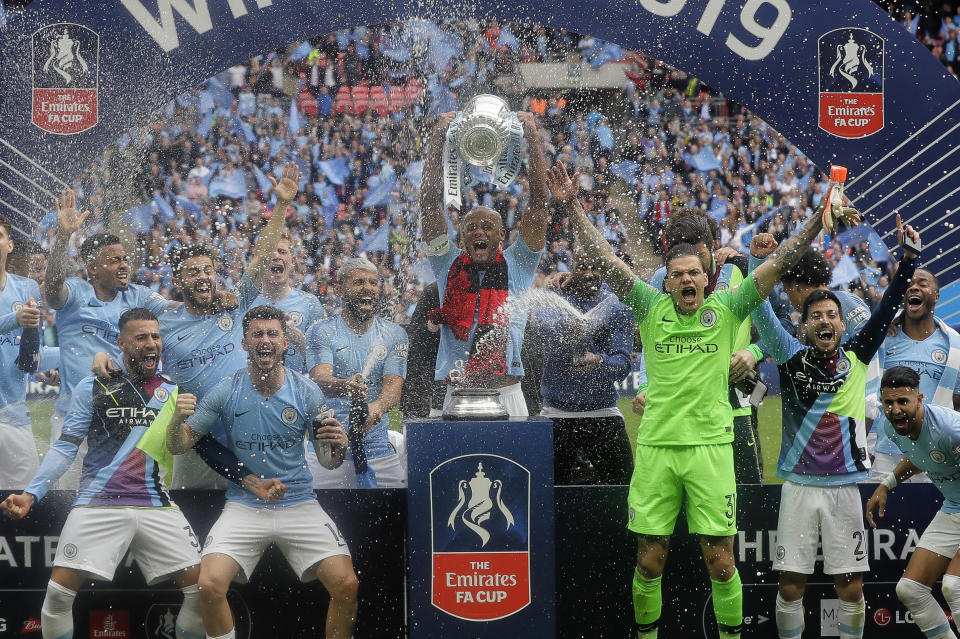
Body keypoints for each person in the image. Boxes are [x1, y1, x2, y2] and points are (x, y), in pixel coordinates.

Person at [553, 160, 828, 639]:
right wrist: (572, 208)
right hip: (658, 449)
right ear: (666, 280)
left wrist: (817, 220)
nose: (686, 281)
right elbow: (605, 259)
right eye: (677, 274)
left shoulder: (728, 306)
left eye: (694, 274)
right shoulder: (647, 305)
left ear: (707, 278)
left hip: (711, 449)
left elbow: (780, 262)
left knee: (721, 563)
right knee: (650, 560)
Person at [0, 308, 250, 639]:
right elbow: (66, 447)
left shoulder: (175, 390)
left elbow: (189, 443)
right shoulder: (94, 384)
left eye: (156, 336)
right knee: (58, 596)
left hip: (157, 505)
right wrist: (32, 493)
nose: (151, 344)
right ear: (122, 342)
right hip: (97, 502)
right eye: (141, 337)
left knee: (202, 591)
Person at [748, 216, 919, 639]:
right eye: (817, 316)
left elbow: (886, 307)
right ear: (804, 324)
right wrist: (757, 260)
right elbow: (756, 302)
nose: (825, 321)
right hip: (800, 488)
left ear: (842, 324)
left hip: (845, 487)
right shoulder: (788, 356)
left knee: (852, 588)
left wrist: (909, 259)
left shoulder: (857, 357)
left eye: (832, 315)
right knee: (791, 585)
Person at [164, 305, 358, 639]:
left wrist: (339, 444)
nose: (264, 340)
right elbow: (179, 445)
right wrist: (176, 420)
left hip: (299, 503)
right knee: (208, 585)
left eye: (272, 334)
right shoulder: (226, 390)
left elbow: (329, 461)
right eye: (257, 334)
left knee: (347, 585)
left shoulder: (307, 390)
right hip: (245, 504)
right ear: (244, 343)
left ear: (285, 343)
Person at [140, 161, 302, 488]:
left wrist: (282, 204)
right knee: (193, 517)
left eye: (207, 270)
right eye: (193, 272)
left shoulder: (237, 302)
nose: (202, 276)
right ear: (178, 280)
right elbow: (125, 298)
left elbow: (260, 256)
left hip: (247, 434)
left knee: (255, 507)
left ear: (215, 275)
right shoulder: (163, 318)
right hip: (195, 440)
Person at [418, 110, 548, 417]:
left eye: (487, 227)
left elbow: (540, 203)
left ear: (502, 235)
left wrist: (532, 136)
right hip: (457, 393)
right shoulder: (446, 263)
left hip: (508, 393)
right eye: (471, 227)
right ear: (461, 238)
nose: (479, 231)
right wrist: (437, 138)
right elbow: (428, 204)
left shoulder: (519, 262)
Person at [43, 190, 174, 487]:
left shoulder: (138, 295)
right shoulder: (76, 292)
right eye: (113, 260)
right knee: (68, 501)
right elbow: (51, 290)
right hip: (74, 417)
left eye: (124, 258)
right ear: (93, 269)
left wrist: (211, 300)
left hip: (124, 417)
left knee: (127, 498)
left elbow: (176, 312)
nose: (123, 265)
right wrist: (63, 237)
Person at [640, 211, 765, 484]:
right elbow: (651, 338)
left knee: (746, 492)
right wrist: (643, 386)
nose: (692, 267)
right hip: (681, 409)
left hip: (738, 400)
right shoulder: (663, 278)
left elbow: (779, 329)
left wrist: (753, 353)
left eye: (700, 255)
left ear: (713, 246)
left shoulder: (739, 269)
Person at [866, 366, 960, 639]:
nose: (895, 410)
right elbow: (919, 455)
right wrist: (887, 483)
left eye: (903, 401)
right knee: (910, 590)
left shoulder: (950, 431)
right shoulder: (892, 428)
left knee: (954, 586)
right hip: (953, 508)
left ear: (920, 399)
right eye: (888, 402)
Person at [533, 244, 635, 485]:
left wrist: (599, 360)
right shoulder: (554, 295)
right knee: (548, 495)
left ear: (605, 269)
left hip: (603, 410)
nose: (589, 273)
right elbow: (543, 331)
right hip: (557, 412)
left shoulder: (617, 305)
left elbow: (622, 366)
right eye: (582, 267)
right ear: (571, 268)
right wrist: (568, 331)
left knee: (624, 492)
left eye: (596, 267)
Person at [306, 257, 408, 488]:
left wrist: (376, 407)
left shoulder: (394, 334)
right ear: (341, 290)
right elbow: (320, 379)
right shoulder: (321, 331)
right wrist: (346, 386)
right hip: (328, 452)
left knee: (397, 515)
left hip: (378, 451)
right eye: (359, 282)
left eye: (373, 283)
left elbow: (393, 389)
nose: (368, 288)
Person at [868, 268, 960, 481]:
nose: (914, 287)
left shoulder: (953, 345)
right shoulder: (883, 339)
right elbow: (867, 398)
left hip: (935, 454)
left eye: (922, 283)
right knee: (884, 513)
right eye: (908, 284)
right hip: (887, 452)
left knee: (933, 513)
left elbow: (956, 402)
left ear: (936, 297)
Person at [0, 216, 54, 488]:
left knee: (27, 501)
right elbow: (16, 323)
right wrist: (16, 319)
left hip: (14, 414)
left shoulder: (27, 288)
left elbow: (29, 356)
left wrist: (55, 366)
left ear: (9, 245)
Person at [252, 233, 326, 372]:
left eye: (282, 252)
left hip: (296, 390)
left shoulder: (310, 303)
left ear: (292, 262)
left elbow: (323, 361)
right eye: (270, 252)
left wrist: (297, 337)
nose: (276, 256)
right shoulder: (246, 303)